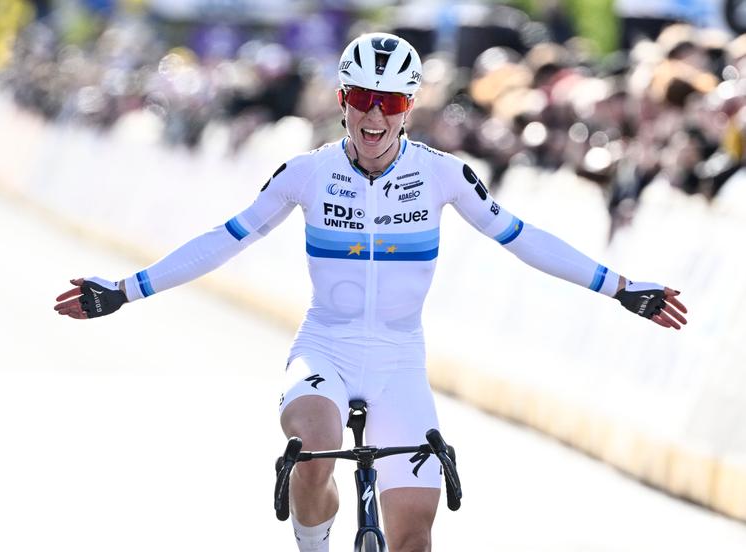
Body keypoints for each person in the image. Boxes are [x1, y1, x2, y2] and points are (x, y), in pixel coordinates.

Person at [54, 33, 688, 552]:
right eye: (362, 98)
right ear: (342, 99)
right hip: (325, 349)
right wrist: (124, 290)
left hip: (398, 362)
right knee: (310, 453)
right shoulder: (307, 172)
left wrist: (621, 288)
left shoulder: (442, 174)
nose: (374, 116)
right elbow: (224, 239)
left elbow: (523, 238)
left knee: (413, 539)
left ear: (410, 106)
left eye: (390, 101)